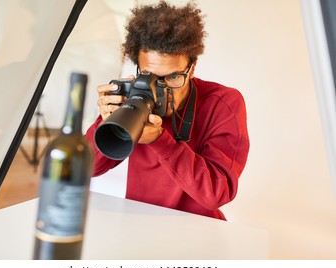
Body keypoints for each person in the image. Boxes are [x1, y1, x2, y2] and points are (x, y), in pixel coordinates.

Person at [85, 1, 249, 220]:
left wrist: (160, 141)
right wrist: (107, 122)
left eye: (173, 77)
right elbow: (85, 168)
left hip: (200, 230)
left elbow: (217, 193)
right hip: (142, 223)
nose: (160, 88)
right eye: (149, 76)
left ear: (192, 68)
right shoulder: (133, 98)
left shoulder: (223, 103)